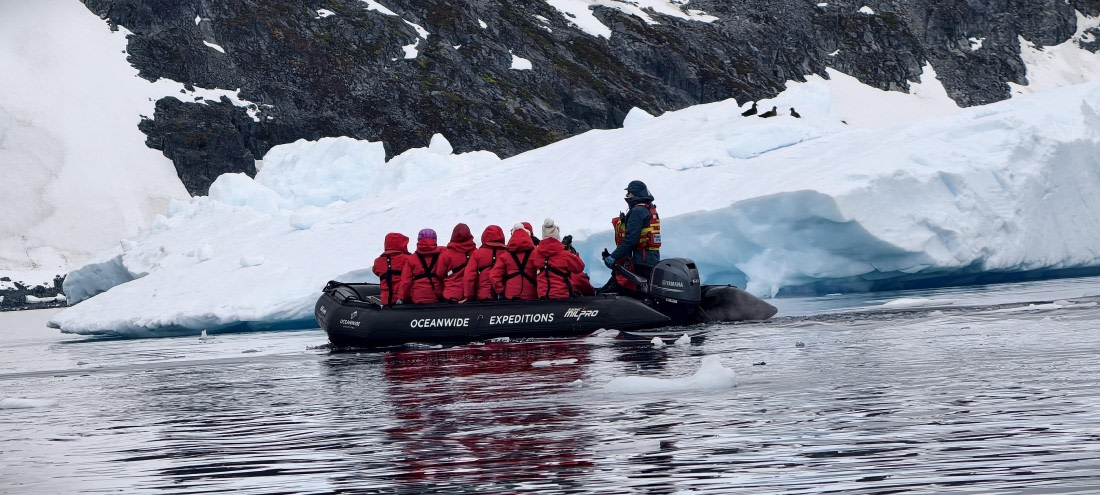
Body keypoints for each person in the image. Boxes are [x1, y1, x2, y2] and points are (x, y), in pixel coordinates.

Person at [603, 180, 661, 294]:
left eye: (629, 192)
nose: (627, 195)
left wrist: (613, 257)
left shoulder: (637, 211)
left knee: (632, 291)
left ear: (635, 193)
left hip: (640, 261)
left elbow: (630, 240)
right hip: (651, 258)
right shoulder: (649, 208)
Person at [531, 218, 585, 299]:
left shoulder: (535, 254)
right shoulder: (565, 255)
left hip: (543, 297)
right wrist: (568, 250)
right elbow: (579, 267)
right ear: (557, 234)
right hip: (562, 296)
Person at [397, 228, 444, 304]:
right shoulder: (442, 254)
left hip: (418, 297)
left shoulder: (411, 259)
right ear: (435, 240)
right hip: (438, 295)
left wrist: (402, 298)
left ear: (418, 240)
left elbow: (406, 282)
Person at [490, 224, 538, 300]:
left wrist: (502, 290)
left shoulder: (505, 256)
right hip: (533, 296)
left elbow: (494, 276)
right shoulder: (536, 253)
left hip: (511, 297)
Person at [462, 225, 507, 301]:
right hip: (504, 296)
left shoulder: (477, 254)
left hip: (484, 296)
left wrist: (469, 296)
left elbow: (469, 277)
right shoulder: (507, 253)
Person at [435, 223, 477, 302]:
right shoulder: (476, 253)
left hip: (451, 295)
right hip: (472, 296)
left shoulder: (446, 255)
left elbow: (439, 274)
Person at [371, 232, 410, 306]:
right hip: (404, 301)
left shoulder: (378, 261)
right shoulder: (407, 259)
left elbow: (375, 270)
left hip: (386, 301)